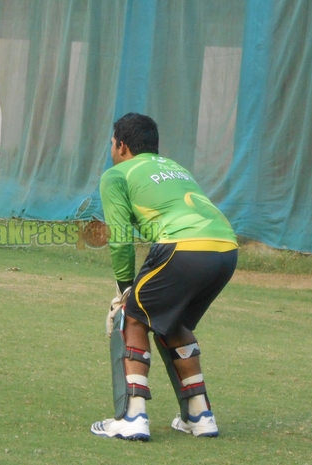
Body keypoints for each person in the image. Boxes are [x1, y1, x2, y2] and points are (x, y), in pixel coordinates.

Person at [90, 112, 238, 442]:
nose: (111, 150)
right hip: (226, 249)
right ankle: (200, 416)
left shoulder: (116, 175)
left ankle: (133, 417)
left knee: (134, 316)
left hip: (183, 247)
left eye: (112, 144)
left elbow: (120, 238)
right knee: (172, 321)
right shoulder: (176, 168)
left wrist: (124, 289)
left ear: (122, 146)